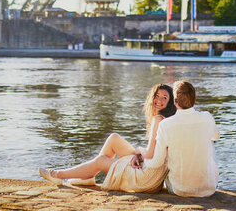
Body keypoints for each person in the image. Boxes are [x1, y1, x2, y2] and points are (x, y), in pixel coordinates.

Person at [39, 83, 176, 193]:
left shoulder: (158, 119)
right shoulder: (164, 120)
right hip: (154, 179)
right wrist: (139, 155)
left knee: (100, 161)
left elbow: (150, 153)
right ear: (152, 98)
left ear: (169, 102)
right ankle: (88, 176)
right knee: (114, 138)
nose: (159, 100)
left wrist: (139, 151)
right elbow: (154, 152)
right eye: (157, 96)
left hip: (146, 180)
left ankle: (57, 175)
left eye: (165, 97)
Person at [131, 80, 219, 197]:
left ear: (175, 101)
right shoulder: (207, 117)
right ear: (194, 98)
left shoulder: (166, 124)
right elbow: (216, 136)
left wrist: (142, 155)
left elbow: (156, 163)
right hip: (208, 188)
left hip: (180, 189)